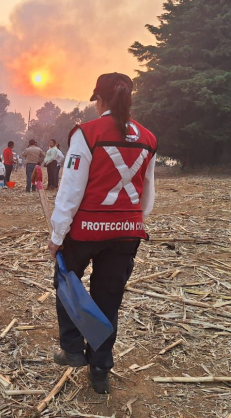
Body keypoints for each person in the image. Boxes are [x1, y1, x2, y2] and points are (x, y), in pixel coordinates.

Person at [47, 73, 156, 394]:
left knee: (66, 281)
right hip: (128, 232)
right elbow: (147, 192)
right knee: (108, 299)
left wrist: (57, 234)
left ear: (100, 99)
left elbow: (71, 189)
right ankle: (100, 369)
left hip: (85, 231)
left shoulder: (87, 132)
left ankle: (71, 347)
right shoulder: (148, 137)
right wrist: (132, 221)